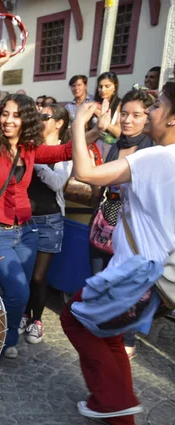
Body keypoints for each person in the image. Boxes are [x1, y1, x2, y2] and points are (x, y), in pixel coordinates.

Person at [61, 81, 175, 425]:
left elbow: (85, 173)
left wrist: (79, 123)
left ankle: (115, 404)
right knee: (108, 332)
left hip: (135, 271)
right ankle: (120, 405)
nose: (152, 113)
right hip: (146, 271)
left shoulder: (156, 157)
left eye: (157, 106)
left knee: (75, 318)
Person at [0, 52, 79, 359]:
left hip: (27, 232)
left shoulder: (31, 149)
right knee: (17, 290)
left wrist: (89, 127)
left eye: (15, 115)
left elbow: (65, 151)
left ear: (27, 120)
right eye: (5, 113)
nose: (7, 119)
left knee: (13, 292)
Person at [87, 88, 156, 359]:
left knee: (127, 289)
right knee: (98, 282)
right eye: (124, 114)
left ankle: (126, 342)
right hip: (105, 224)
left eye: (136, 115)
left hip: (134, 230)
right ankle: (101, 336)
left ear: (148, 118)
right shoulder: (116, 144)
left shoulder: (153, 149)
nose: (128, 120)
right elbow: (102, 183)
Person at [21, 104, 72, 344]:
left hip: (50, 221)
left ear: (59, 123)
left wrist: (37, 162)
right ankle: (22, 314)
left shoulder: (63, 151)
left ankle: (37, 321)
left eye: (46, 116)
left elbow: (57, 183)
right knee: (24, 272)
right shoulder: (30, 145)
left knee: (39, 277)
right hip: (26, 219)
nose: (41, 120)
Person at [94, 71, 122, 159]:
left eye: (107, 86)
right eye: (100, 86)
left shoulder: (119, 105)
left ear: (115, 87)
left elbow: (118, 132)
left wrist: (101, 117)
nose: (103, 90)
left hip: (109, 148)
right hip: (91, 146)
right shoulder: (93, 105)